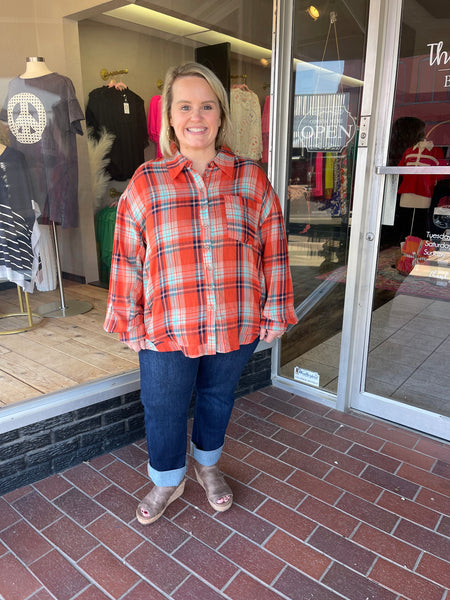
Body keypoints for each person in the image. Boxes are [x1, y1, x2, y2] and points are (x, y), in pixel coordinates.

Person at [104, 62, 297, 525]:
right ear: (169, 117)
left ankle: (208, 468)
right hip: (166, 325)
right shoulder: (146, 183)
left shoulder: (251, 179)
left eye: (207, 105)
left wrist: (275, 314)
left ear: (220, 116)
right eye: (185, 105)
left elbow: (274, 250)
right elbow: (127, 257)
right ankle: (168, 479)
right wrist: (127, 320)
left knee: (216, 398)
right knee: (164, 405)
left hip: (236, 321)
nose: (197, 116)